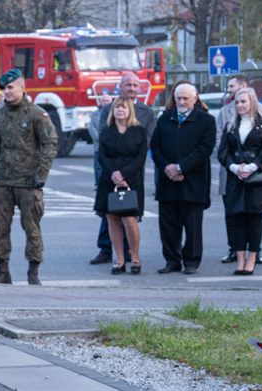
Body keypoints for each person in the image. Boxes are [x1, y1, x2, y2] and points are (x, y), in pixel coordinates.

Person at [0, 69, 58, 285]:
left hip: (28, 182)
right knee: (0, 230)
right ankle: (3, 272)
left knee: (32, 229)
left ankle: (33, 273)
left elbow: (50, 143)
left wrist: (41, 175)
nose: (6, 92)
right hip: (3, 182)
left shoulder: (37, 114)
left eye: (10, 87)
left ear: (22, 87)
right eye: (4, 89)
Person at [152, 82, 216, 275]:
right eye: (178, 98)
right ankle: (172, 261)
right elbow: (155, 146)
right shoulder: (164, 119)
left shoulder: (206, 121)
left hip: (193, 181)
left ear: (194, 99)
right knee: (168, 225)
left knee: (193, 225)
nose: (181, 101)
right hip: (167, 181)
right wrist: (168, 168)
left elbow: (204, 149)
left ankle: (191, 261)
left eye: (185, 98)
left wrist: (180, 168)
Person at [90, 73, 154, 265]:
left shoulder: (146, 112)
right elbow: (103, 141)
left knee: (129, 215)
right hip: (110, 173)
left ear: (139, 88)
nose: (132, 88)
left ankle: (130, 252)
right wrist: (115, 174)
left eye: (135, 85)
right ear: (121, 86)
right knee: (109, 214)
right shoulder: (108, 108)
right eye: (128, 85)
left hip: (132, 173)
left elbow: (148, 141)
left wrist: (125, 172)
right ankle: (106, 249)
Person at [217, 87, 262, 276]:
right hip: (236, 178)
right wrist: (235, 168)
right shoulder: (230, 125)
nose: (240, 105)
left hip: (257, 179)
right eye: (237, 102)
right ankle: (240, 260)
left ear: (252, 103)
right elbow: (222, 153)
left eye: (244, 101)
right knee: (238, 221)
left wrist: (250, 168)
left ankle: (252, 259)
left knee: (254, 220)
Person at [89, 93, 112, 189]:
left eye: (107, 101)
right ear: (100, 102)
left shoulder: (114, 113)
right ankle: (98, 184)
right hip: (98, 144)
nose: (105, 103)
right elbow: (92, 128)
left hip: (110, 144)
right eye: (104, 101)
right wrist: (99, 138)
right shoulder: (95, 114)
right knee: (98, 165)